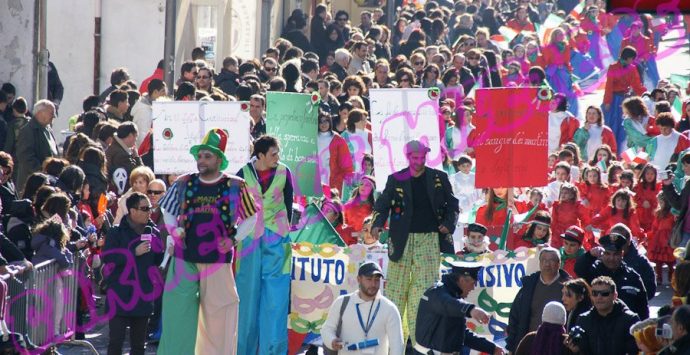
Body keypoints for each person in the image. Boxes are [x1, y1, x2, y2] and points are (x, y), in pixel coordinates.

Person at [158, 128, 258, 355]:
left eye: (207, 156)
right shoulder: (184, 182)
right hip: (184, 258)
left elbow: (252, 217)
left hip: (217, 261)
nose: (201, 160)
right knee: (178, 318)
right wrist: (174, 230)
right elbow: (168, 210)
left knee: (219, 320)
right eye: (200, 155)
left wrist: (233, 239)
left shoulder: (236, 185)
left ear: (219, 159)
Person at [371, 139, 459, 345]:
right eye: (415, 157)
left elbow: (453, 205)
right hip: (401, 240)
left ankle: (418, 342)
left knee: (423, 292)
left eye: (422, 157)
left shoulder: (439, 176)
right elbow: (382, 205)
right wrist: (377, 224)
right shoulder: (396, 179)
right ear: (407, 156)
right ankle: (392, 343)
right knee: (395, 291)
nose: (419, 161)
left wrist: (448, 224)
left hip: (429, 239)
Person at [234, 135, 293, 355]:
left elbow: (288, 205)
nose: (278, 157)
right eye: (273, 154)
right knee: (247, 297)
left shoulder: (285, 172)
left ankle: (273, 351)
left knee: (276, 300)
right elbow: (235, 207)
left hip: (278, 240)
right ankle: (243, 350)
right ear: (260, 155)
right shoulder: (242, 174)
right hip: (249, 240)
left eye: (278, 153)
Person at [102, 192, 164, 355]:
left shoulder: (153, 231)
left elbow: (157, 261)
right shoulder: (116, 232)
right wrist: (132, 252)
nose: (149, 211)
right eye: (144, 208)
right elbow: (108, 257)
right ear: (132, 211)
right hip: (119, 295)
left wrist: (164, 250)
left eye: (150, 208)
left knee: (139, 345)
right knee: (116, 342)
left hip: (143, 294)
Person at [415, 261, 505, 355]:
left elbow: (461, 335)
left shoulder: (453, 297)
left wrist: (492, 348)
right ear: (462, 280)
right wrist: (471, 309)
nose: (473, 288)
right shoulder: (436, 293)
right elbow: (447, 303)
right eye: (473, 283)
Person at [321, 261, 404, 354]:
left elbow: (397, 346)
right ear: (358, 279)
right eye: (369, 279)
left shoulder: (390, 308)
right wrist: (332, 341)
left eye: (376, 280)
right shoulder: (341, 302)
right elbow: (327, 329)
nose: (373, 284)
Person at [506, 247, 571, 352]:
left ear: (559, 263)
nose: (547, 264)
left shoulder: (568, 288)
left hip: (558, 346)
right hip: (529, 344)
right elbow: (515, 317)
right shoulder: (529, 286)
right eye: (544, 260)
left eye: (551, 260)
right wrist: (512, 346)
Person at [574, 232, 649, 319]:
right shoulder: (593, 271)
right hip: (596, 324)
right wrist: (589, 255)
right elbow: (578, 269)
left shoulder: (633, 277)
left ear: (622, 254)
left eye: (616, 254)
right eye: (607, 254)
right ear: (602, 254)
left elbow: (643, 309)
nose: (611, 258)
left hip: (625, 327)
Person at [567, 276, 640, 354]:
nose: (599, 297)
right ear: (591, 296)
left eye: (604, 293)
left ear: (615, 295)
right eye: (595, 293)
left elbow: (636, 350)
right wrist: (576, 350)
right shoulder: (583, 320)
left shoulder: (630, 320)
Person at [15, 100, 59, 191]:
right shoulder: (28, 131)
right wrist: (42, 172)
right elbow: (25, 157)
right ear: (40, 113)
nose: (54, 116)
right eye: (51, 113)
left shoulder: (48, 129)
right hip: (33, 185)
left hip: (48, 182)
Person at [106, 122, 144, 194]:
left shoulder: (113, 148)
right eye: (135, 137)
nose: (135, 140)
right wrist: (136, 157)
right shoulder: (121, 155)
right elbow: (140, 173)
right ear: (130, 135)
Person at [131, 79, 167, 147]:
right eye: (163, 91)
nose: (165, 94)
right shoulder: (144, 110)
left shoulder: (150, 107)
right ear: (155, 92)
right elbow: (142, 136)